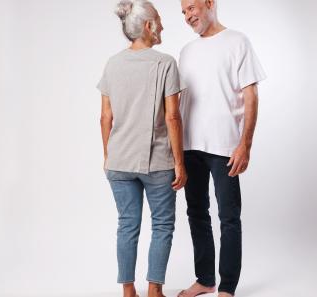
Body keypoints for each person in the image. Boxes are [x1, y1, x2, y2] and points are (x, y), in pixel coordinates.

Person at [97, 1, 187, 297]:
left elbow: (105, 117)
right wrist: (180, 163)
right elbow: (173, 116)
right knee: (162, 225)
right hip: (157, 162)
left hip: (119, 161)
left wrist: (109, 156)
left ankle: (127, 291)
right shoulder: (165, 63)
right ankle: (154, 290)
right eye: (158, 20)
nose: (161, 26)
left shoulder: (113, 63)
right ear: (148, 26)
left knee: (127, 225)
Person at [178, 0, 266, 296]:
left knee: (229, 217)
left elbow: (251, 95)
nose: (188, 15)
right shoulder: (186, 51)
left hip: (225, 146)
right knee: (196, 212)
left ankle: (227, 287)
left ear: (210, 3)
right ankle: (205, 279)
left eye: (191, 7)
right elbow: (180, 103)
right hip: (190, 146)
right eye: (183, 12)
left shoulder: (237, 41)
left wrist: (245, 144)